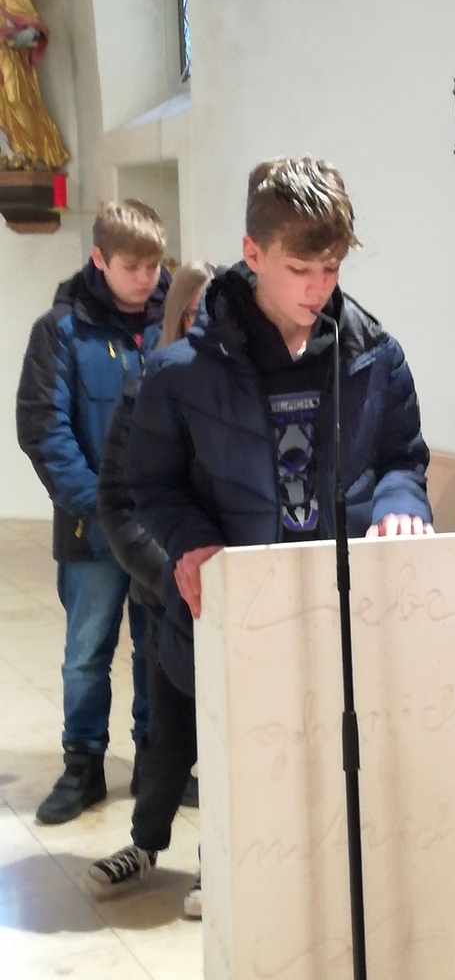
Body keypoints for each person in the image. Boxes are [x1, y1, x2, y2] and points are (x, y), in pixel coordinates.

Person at [84, 155, 432, 912]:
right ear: (252, 253)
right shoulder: (179, 373)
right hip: (237, 616)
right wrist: (189, 539)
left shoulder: (375, 356)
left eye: (331, 267)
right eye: (300, 268)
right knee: (245, 789)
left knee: (333, 799)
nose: (319, 287)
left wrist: (402, 504)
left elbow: (402, 459)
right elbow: (150, 487)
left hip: (344, 620)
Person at [16, 200, 170, 825]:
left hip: (161, 526)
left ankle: (158, 763)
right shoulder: (60, 330)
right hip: (93, 527)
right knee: (87, 650)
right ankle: (83, 765)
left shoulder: (176, 323)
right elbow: (44, 428)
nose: (147, 279)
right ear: (99, 259)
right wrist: (101, 506)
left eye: (154, 265)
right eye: (132, 266)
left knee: (158, 649)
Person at [87, 263, 214, 917]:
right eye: (196, 316)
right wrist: (172, 572)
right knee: (167, 736)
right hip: (169, 599)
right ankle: (145, 843)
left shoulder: (242, 397)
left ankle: (221, 862)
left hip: (238, 600)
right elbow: (120, 500)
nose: (207, 328)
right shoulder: (144, 391)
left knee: (234, 742)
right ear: (178, 319)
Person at [0, 0, 68, 169]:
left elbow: (34, 32)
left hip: (11, 56)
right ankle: (7, 153)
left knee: (17, 100)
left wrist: (21, 36)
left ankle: (27, 152)